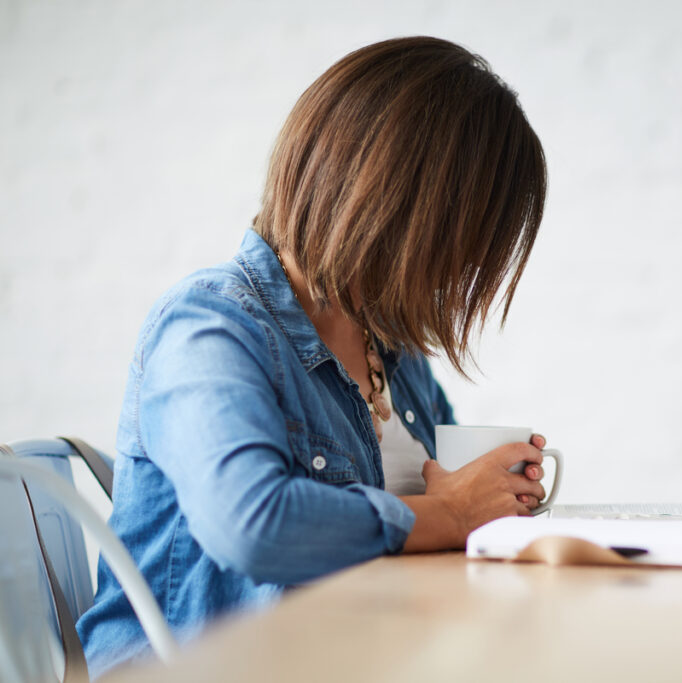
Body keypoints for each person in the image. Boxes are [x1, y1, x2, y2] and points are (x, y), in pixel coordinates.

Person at [76, 36, 550, 678]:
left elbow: (441, 504)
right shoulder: (210, 324)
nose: (465, 268)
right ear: (395, 206)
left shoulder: (396, 349)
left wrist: (491, 495)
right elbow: (253, 524)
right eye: (463, 237)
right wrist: (454, 511)